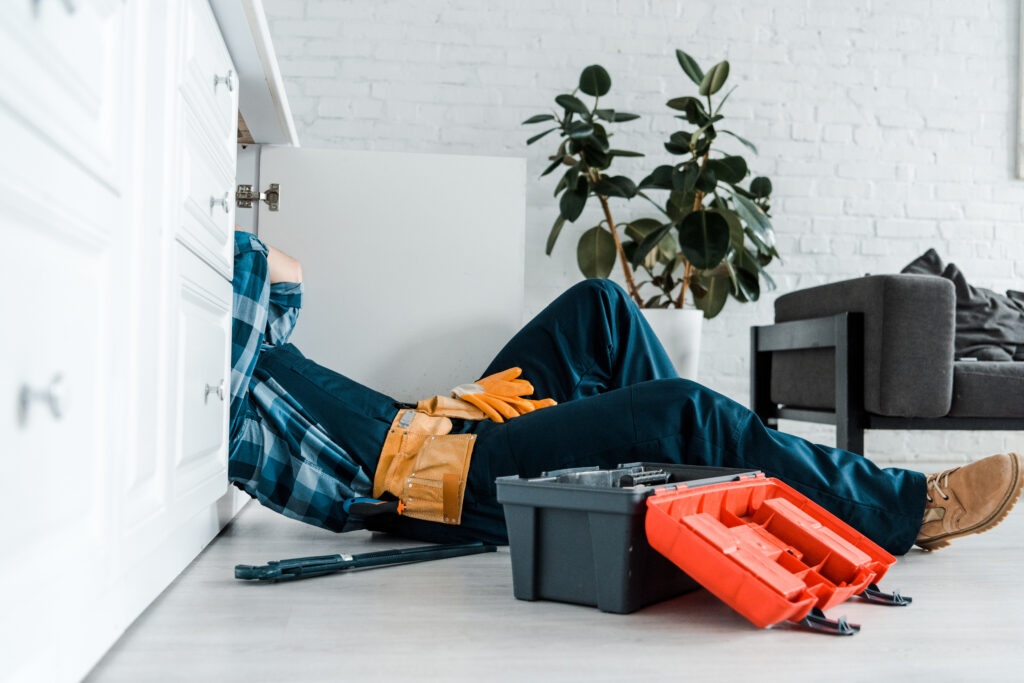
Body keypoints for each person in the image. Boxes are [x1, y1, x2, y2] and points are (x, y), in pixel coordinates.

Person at [229, 230, 1023, 555]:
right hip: (438, 487)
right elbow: (255, 271)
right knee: (682, 411)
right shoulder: (223, 380)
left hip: (447, 428)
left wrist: (453, 407)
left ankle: (704, 487)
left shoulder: (241, 335)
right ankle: (906, 507)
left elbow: (276, 280)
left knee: (601, 305)